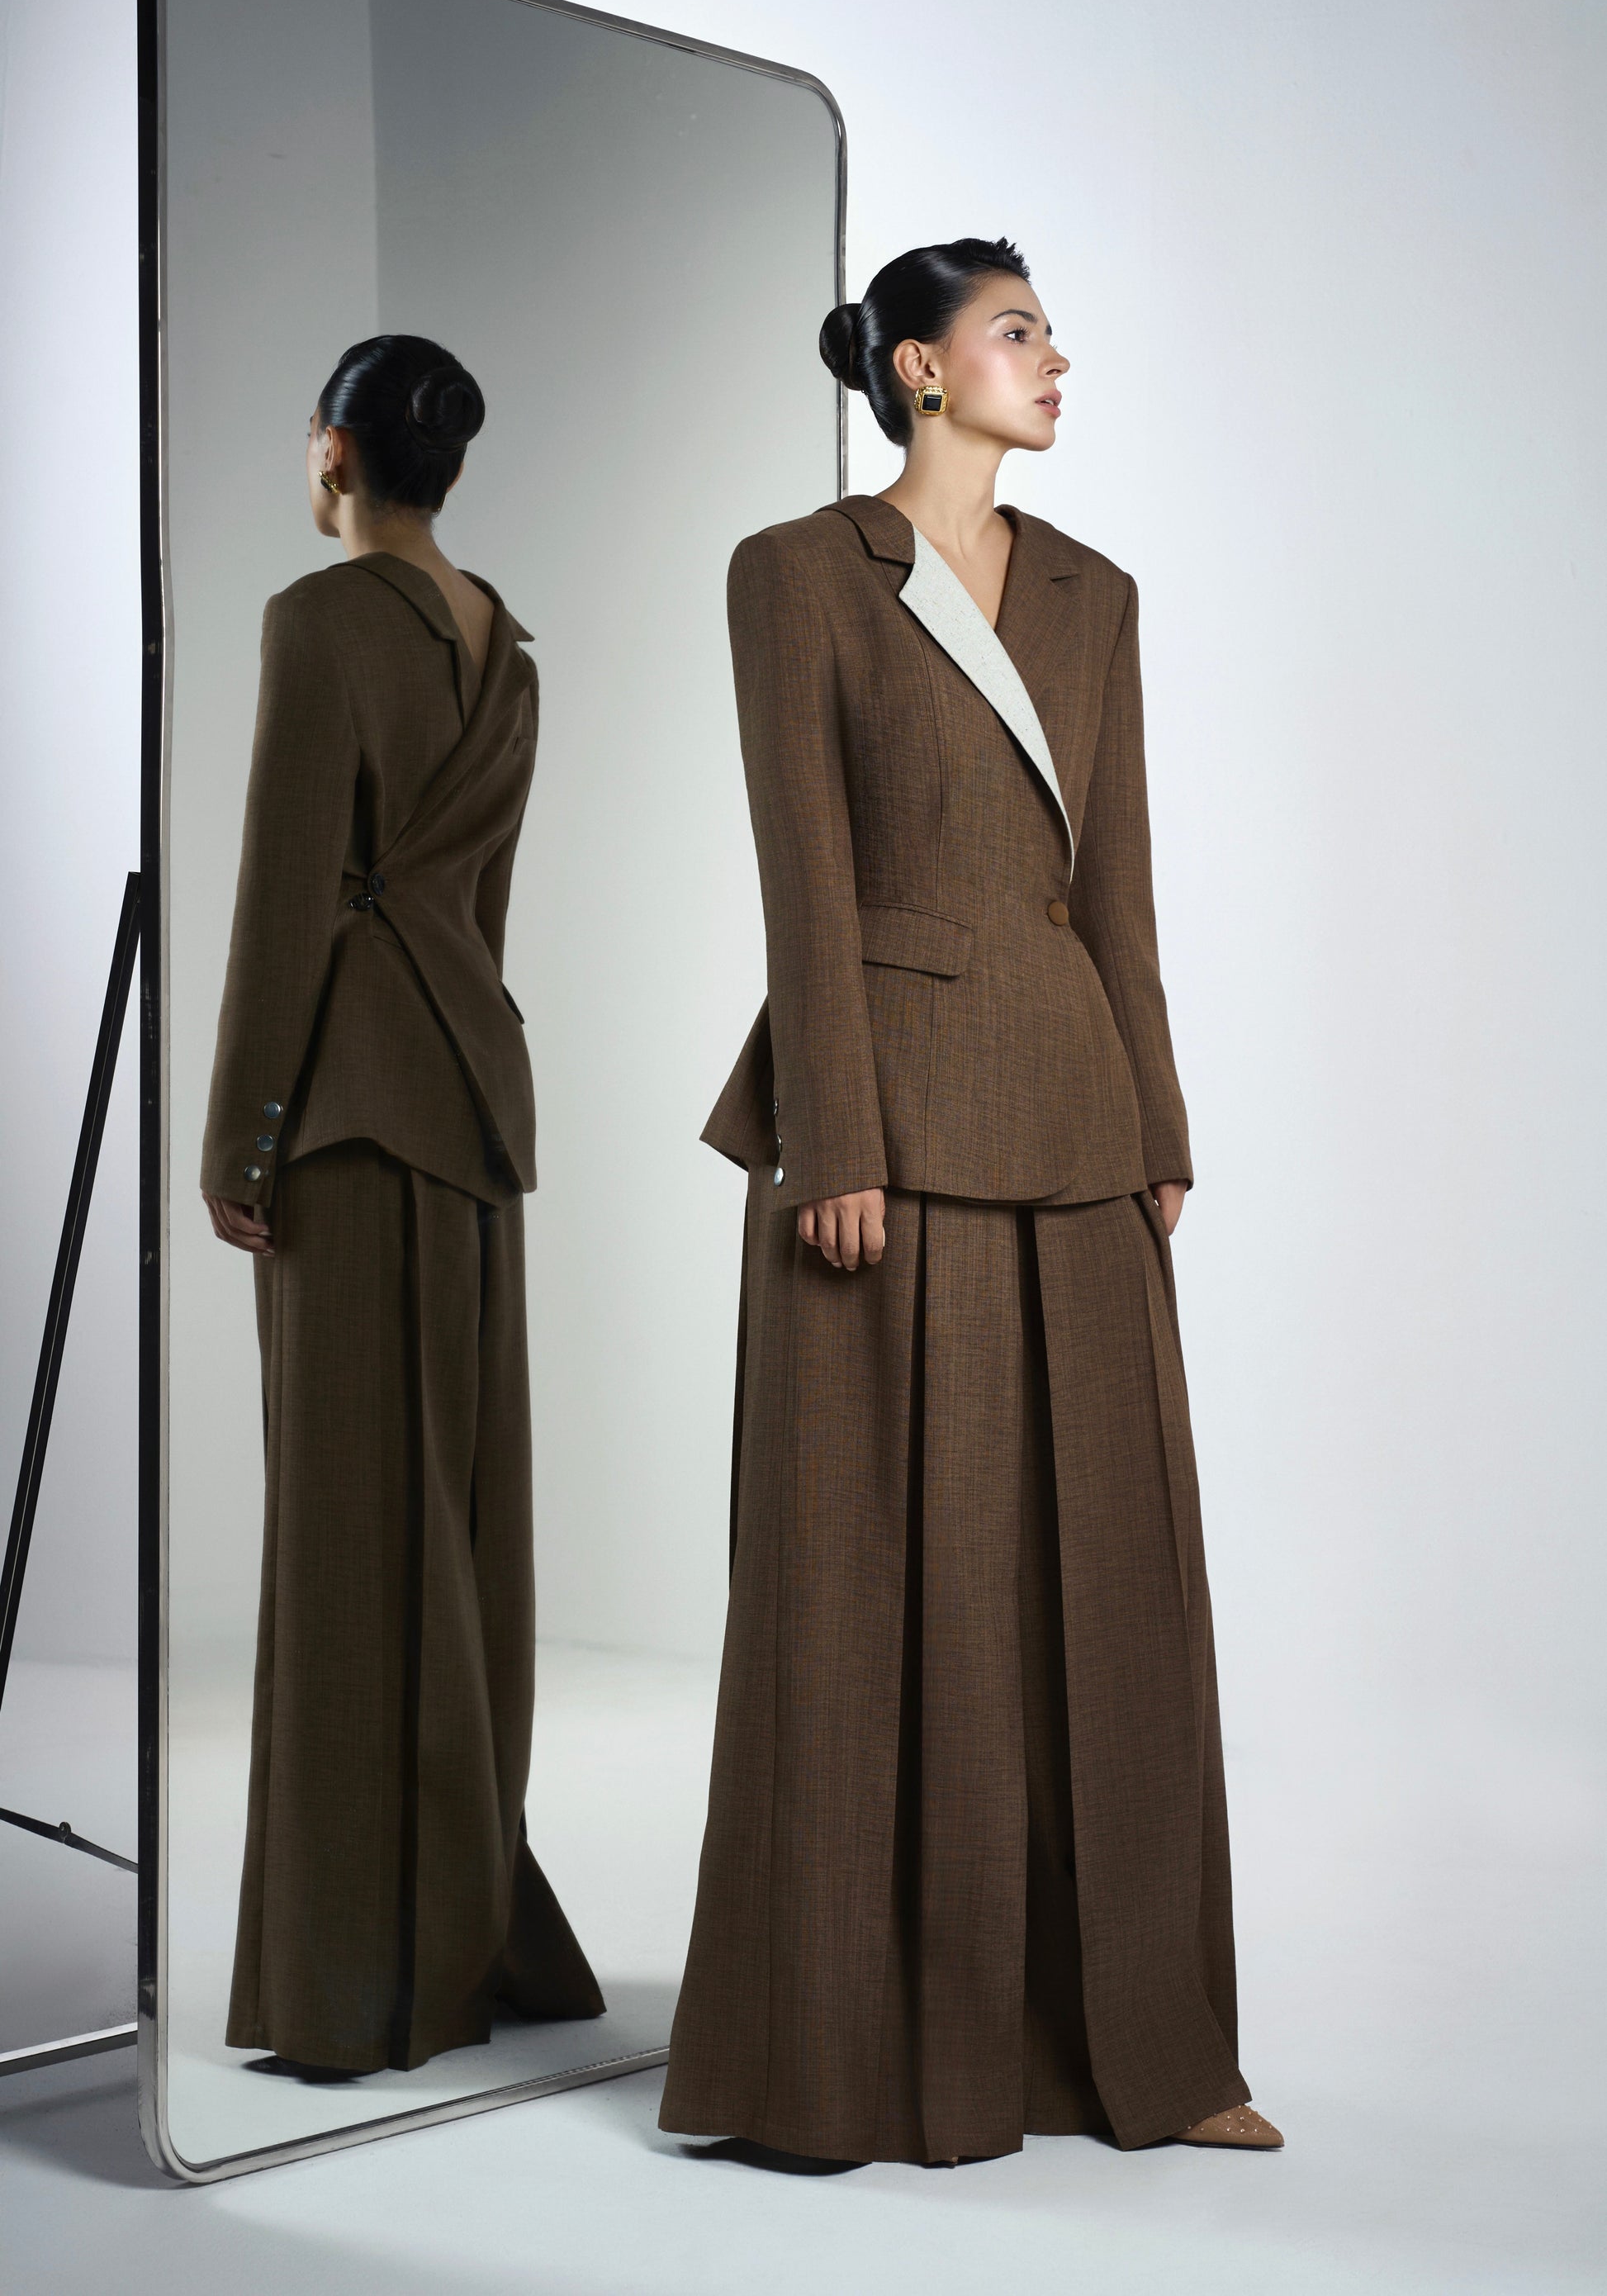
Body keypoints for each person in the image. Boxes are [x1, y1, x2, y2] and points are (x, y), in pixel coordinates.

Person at [660, 240, 1280, 2162]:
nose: (1054, 359)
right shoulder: (797, 572)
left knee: (1112, 1590)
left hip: (1080, 1125)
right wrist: (831, 1137)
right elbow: (803, 870)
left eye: (1048, 332)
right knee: (855, 1591)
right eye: (1018, 332)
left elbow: (1120, 891)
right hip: (888, 1129)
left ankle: (1147, 2053)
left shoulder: (1098, 593)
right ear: (921, 369)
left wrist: (1159, 1121)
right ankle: (836, 2059)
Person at [201, 334, 602, 2074]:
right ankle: (454, 1924)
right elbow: (476, 918)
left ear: (334, 451)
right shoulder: (505, 644)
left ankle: (348, 1981)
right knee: (461, 1521)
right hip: (477, 1103)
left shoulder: (318, 619)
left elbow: (287, 887)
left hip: (351, 1121)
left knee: (346, 1533)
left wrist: (243, 1141)